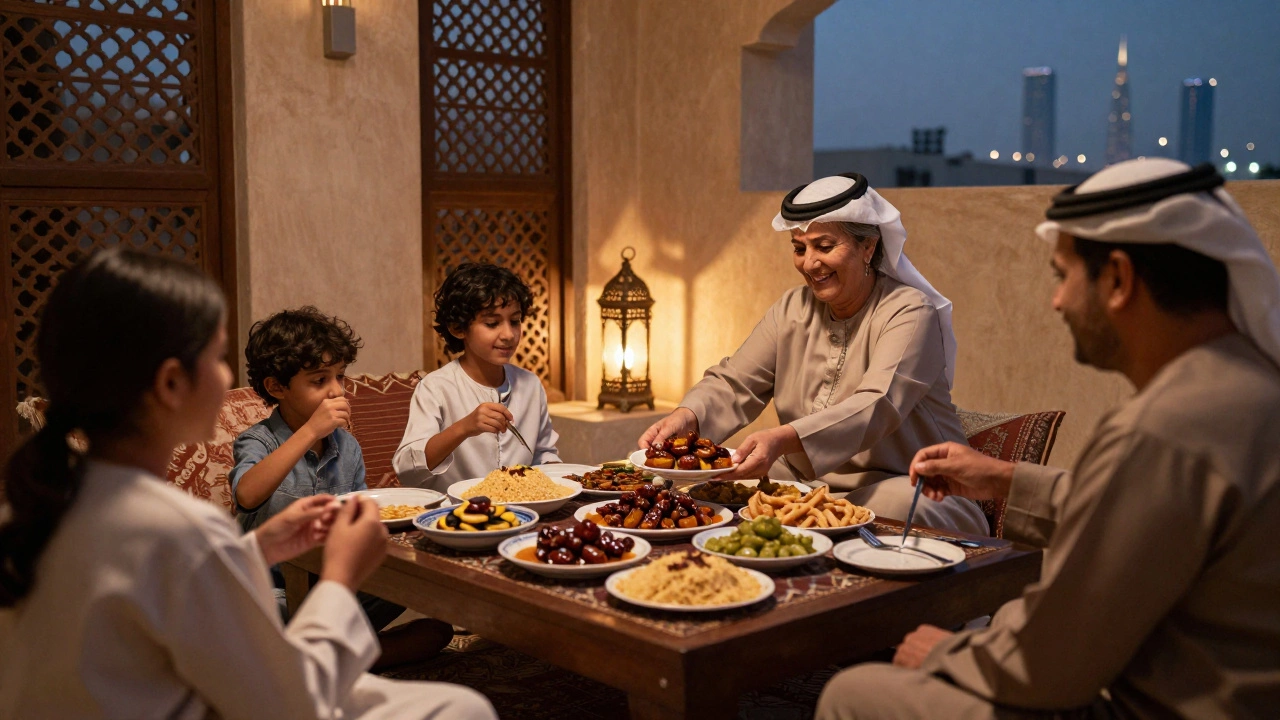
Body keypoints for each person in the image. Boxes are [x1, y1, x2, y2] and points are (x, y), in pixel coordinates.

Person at [817, 159, 1280, 719]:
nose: (1057, 301)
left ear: (1118, 278)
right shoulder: (1245, 386)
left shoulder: (1166, 426)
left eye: (1063, 276)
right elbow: (1143, 511)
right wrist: (1007, 479)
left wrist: (944, 652)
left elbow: (1049, 664)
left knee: (853, 693)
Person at [0, 250, 495, 719]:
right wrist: (340, 577)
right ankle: (367, 653)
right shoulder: (179, 530)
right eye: (217, 358)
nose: (227, 379)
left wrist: (256, 548)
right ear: (171, 383)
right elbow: (288, 704)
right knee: (463, 708)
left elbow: (172, 600)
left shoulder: (33, 508)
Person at [639, 172, 987, 535]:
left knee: (890, 506)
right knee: (709, 490)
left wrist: (782, 438)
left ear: (868, 247)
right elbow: (735, 382)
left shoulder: (910, 311)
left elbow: (878, 403)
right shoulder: (792, 308)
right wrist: (688, 416)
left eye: (824, 246)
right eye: (799, 248)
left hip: (905, 482)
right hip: (808, 483)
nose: (809, 263)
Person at [230, 307, 452, 666]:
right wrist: (309, 432)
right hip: (272, 592)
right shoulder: (258, 441)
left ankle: (323, 657)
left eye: (340, 377)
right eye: (319, 380)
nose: (336, 390)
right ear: (276, 387)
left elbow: (357, 519)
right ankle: (353, 657)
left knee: (417, 596)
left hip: (331, 588)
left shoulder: (346, 447)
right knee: (256, 613)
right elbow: (247, 493)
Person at [394, 263, 560, 492]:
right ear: (457, 328)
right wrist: (464, 427)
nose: (508, 334)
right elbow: (407, 471)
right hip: (457, 509)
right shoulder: (435, 388)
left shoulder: (530, 384)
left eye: (515, 321)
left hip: (524, 507)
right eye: (492, 323)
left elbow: (544, 455)